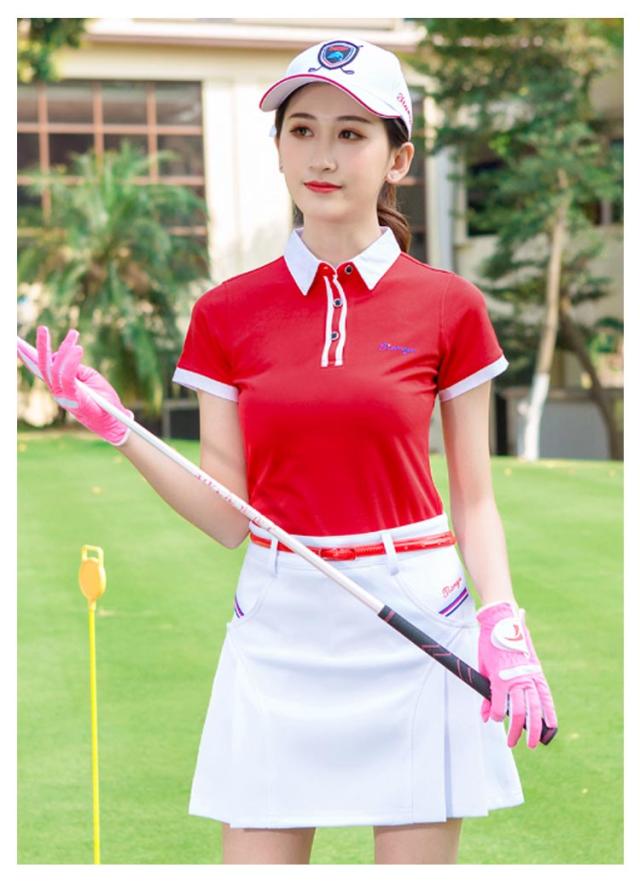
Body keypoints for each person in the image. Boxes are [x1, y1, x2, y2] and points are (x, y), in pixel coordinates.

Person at [19, 37, 557, 865]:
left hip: (415, 617)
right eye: (302, 130)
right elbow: (228, 513)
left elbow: (474, 499)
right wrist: (122, 427)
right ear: (277, 148)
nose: (322, 156)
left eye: (351, 134)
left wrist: (502, 621)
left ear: (398, 158)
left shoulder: (449, 305)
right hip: (280, 624)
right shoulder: (227, 313)